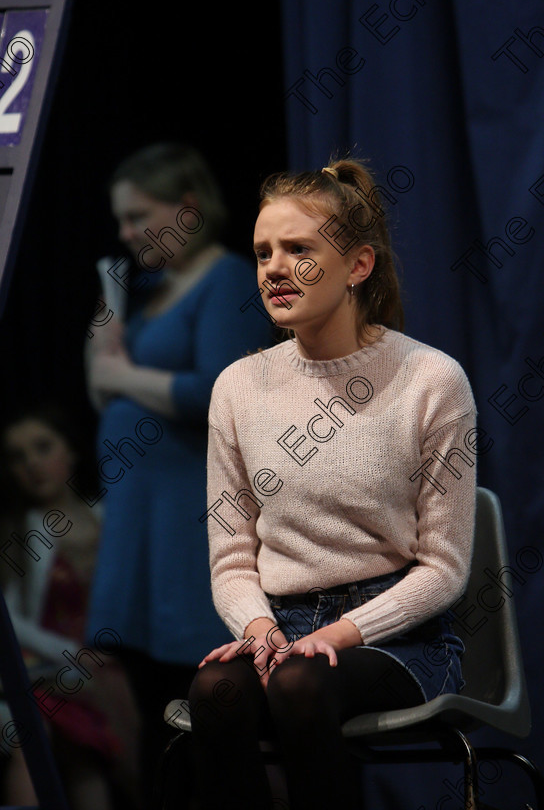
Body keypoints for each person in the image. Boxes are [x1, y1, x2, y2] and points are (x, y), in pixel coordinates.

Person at [188, 158, 477, 810]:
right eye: (263, 252)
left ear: (358, 266)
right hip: (283, 630)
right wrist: (260, 629)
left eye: (298, 249)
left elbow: (444, 567)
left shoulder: (432, 380)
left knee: (298, 685)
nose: (273, 268)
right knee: (217, 692)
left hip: (400, 642)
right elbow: (232, 557)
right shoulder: (237, 387)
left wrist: (341, 634)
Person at [84, 143, 272, 802]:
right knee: (146, 697)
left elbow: (217, 392)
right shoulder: (152, 292)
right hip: (139, 526)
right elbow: (97, 386)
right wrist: (110, 303)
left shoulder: (226, 281)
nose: (128, 233)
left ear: (187, 209)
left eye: (139, 216)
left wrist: (123, 374)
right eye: (121, 220)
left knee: (192, 697)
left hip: (188, 528)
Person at [0, 405, 141, 810]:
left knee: (91, 764)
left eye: (42, 448)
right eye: (17, 457)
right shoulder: (21, 531)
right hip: (51, 671)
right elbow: (11, 622)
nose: (31, 465)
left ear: (71, 451)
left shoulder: (110, 517)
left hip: (117, 662)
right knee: (40, 736)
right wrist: (73, 654)